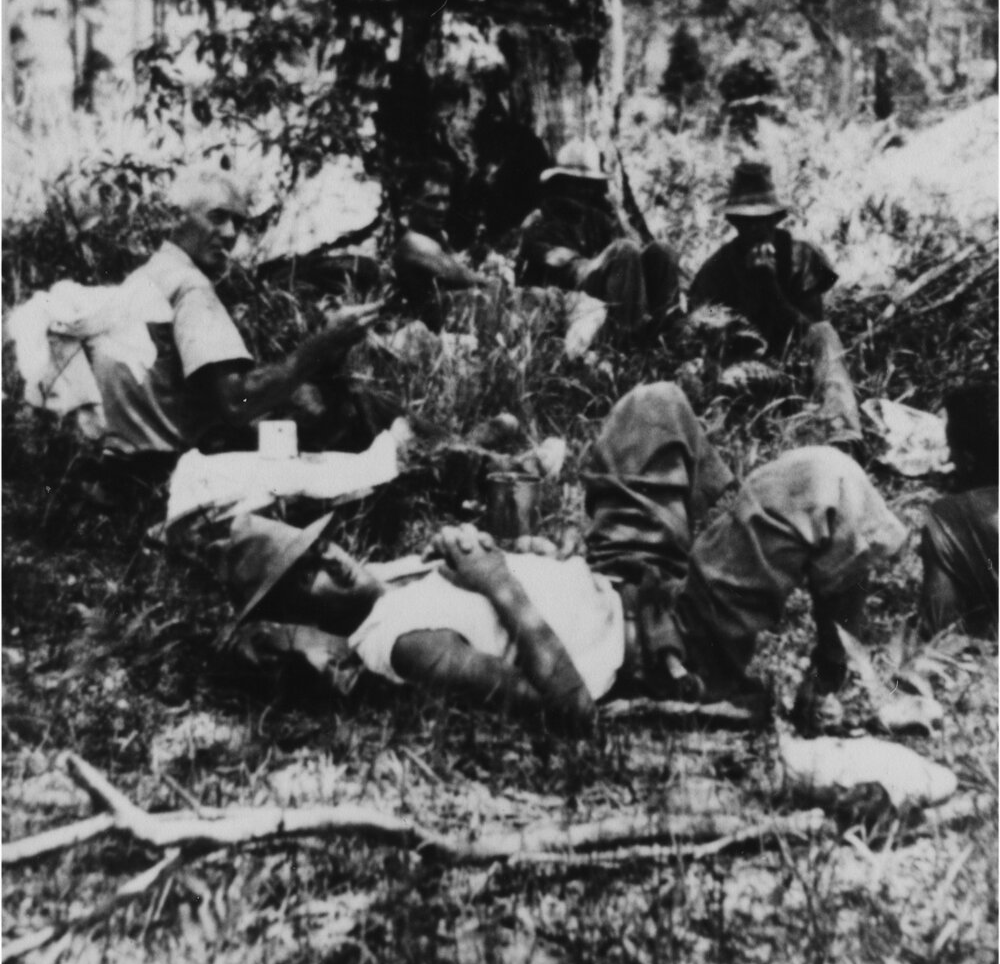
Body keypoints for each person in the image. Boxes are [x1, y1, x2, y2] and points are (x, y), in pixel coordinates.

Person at [224, 383, 906, 731]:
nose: (336, 554)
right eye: (310, 568)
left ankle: (739, 545)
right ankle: (834, 662)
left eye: (321, 542)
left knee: (653, 405)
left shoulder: (396, 577)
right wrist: (500, 583)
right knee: (822, 477)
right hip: (663, 636)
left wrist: (529, 557)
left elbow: (518, 580)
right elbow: (569, 708)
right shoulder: (403, 645)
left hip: (621, 576)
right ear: (301, 607)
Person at [84, 166, 382, 475]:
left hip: (126, 469)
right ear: (176, 217)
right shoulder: (189, 286)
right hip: (174, 475)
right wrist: (324, 343)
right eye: (217, 217)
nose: (229, 234)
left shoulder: (140, 281)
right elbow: (239, 402)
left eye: (238, 223)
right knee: (339, 407)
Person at [689, 159, 861, 445]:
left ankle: (841, 426)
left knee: (825, 334)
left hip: (797, 366)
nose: (757, 228)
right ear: (735, 223)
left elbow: (810, 328)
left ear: (776, 219)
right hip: (744, 370)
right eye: (747, 221)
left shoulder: (801, 256)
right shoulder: (716, 269)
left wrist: (769, 289)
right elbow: (699, 320)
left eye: (763, 219)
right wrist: (722, 320)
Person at [515, 140, 680, 340]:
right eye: (574, 183)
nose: (582, 191)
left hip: (607, 292)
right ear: (560, 184)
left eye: (587, 184)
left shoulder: (597, 219)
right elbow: (542, 256)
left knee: (663, 252)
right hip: (566, 295)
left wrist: (618, 217)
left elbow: (631, 261)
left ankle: (663, 335)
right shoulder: (543, 216)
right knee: (623, 250)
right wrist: (589, 264)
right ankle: (624, 339)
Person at [918, 382, 998, 636]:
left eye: (951, 447)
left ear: (969, 459)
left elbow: (939, 627)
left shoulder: (947, 517)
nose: (949, 458)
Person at [392, 162, 486, 331]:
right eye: (432, 200)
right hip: (436, 335)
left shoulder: (438, 236)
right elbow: (472, 280)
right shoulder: (414, 243)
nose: (441, 208)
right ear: (410, 202)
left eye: (445, 200)